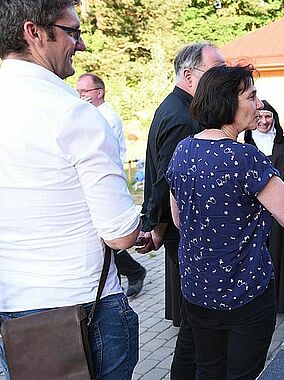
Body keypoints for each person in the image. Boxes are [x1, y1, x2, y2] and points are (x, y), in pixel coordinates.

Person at [0, 1, 141, 379]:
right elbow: (120, 234)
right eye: (72, 32)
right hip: (81, 313)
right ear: (34, 33)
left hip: (11, 310)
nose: (79, 45)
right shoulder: (74, 114)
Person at [166, 65, 284, 379]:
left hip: (198, 294)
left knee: (209, 370)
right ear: (229, 101)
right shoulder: (246, 157)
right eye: (252, 96)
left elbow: (177, 219)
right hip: (245, 295)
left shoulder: (182, 150)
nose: (260, 104)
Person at [137, 42, 224, 380]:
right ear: (189, 75)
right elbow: (167, 179)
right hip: (184, 231)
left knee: (193, 320)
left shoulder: (178, 107)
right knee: (197, 320)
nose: (222, 79)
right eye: (215, 72)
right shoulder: (182, 116)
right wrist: (157, 226)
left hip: (176, 229)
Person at [77, 72, 147, 298]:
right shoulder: (86, 114)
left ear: (99, 92)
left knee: (109, 235)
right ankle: (127, 273)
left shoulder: (106, 117)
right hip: (91, 180)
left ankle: (134, 271)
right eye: (78, 91)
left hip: (107, 179)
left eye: (85, 91)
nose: (81, 96)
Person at [244, 100, 284, 312]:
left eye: (268, 116)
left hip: (278, 213)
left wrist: (276, 203)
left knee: (281, 254)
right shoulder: (245, 148)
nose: (263, 121)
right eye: (259, 117)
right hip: (251, 214)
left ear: (275, 119)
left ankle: (283, 299)